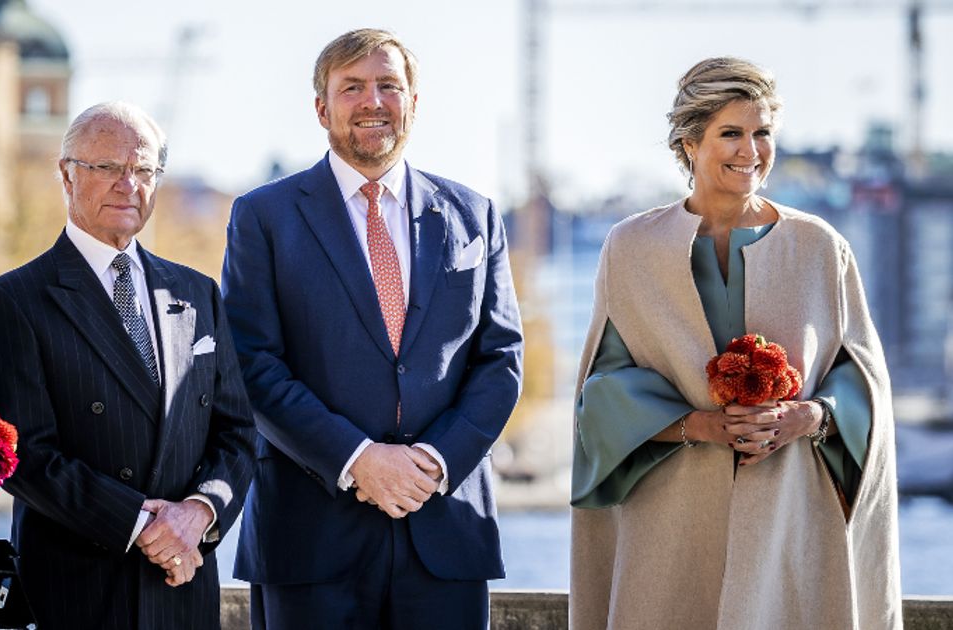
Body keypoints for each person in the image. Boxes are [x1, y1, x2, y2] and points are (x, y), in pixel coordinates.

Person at [570, 57, 900, 629]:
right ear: (689, 143)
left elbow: (863, 380)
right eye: (731, 133)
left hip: (789, 513)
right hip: (670, 514)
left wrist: (810, 416)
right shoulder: (630, 248)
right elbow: (601, 391)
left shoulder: (820, 247)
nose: (751, 150)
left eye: (762, 133)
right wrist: (696, 425)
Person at [222, 28, 524, 630]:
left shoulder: (475, 214)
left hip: (447, 530)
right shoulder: (263, 216)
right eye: (352, 87)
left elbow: (502, 359)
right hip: (311, 536)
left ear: (414, 102)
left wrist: (434, 462)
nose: (373, 101)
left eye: (389, 85)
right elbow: (251, 363)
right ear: (321, 107)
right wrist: (359, 459)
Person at [0, 101, 256, 630]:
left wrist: (198, 514)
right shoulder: (13, 300)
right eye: (106, 168)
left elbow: (238, 433)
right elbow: (27, 456)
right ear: (67, 175)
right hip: (77, 591)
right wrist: (146, 526)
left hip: (182, 587)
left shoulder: (197, 293)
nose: (128, 184)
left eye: (143, 169)